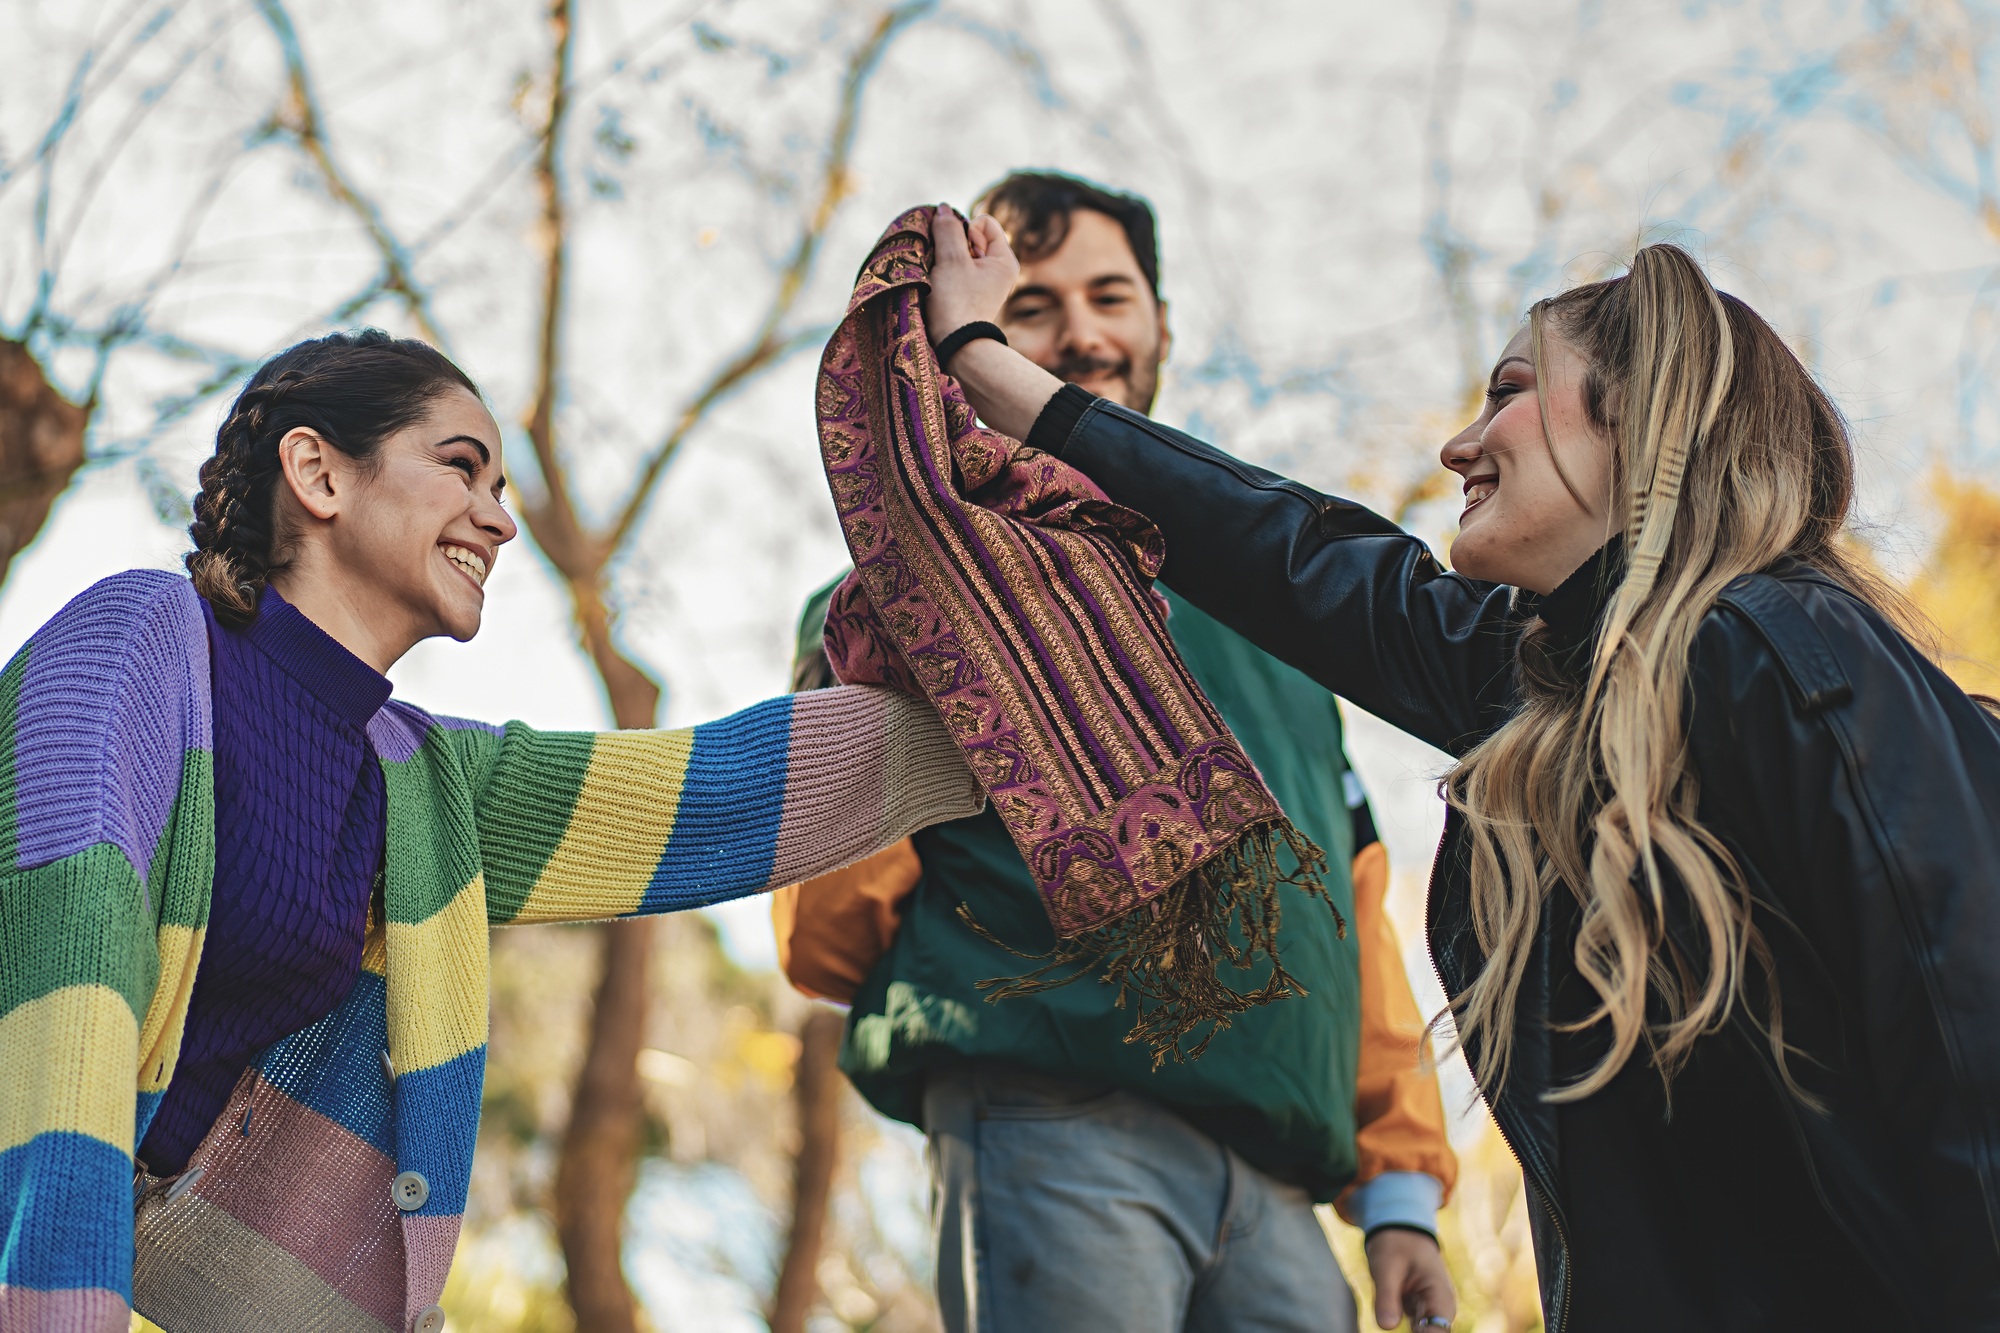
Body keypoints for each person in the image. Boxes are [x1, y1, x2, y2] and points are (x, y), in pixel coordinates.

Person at [921, 206, 2000, 1331]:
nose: (1457, 443)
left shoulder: (1778, 649)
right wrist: (987, 372)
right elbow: (1302, 561)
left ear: (1638, 411)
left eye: (1509, 388)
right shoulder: (1570, 699)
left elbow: (1966, 1033)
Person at [0, 330, 985, 1333]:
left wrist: (1028, 706)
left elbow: (717, 798)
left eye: (503, 486)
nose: (499, 520)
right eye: (461, 467)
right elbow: (65, 991)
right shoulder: (139, 642)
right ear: (317, 473)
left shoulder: (416, 780)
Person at [773, 173, 1459, 1333]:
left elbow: (1352, 918)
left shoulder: (1274, 628)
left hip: (1282, 1189)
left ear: (1158, 330)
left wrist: (1398, 1193)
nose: (1082, 332)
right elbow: (829, 929)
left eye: (1111, 296)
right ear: (962, 339)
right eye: (1029, 305)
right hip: (1052, 1114)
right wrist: (890, 650)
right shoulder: (898, 599)